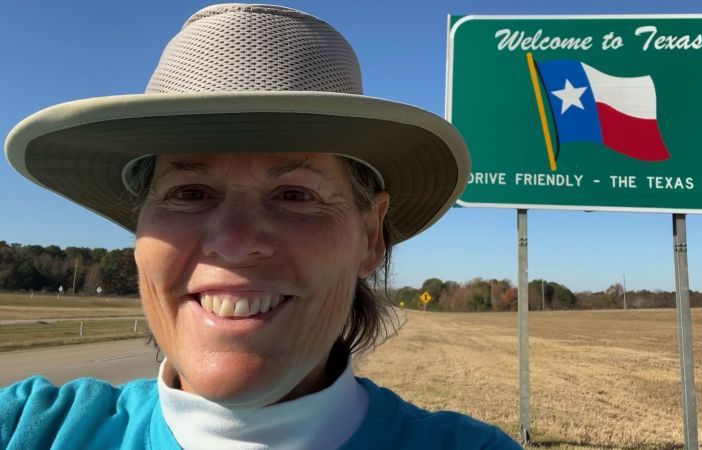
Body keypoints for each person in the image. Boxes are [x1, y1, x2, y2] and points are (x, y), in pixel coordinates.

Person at [1, 4, 522, 450]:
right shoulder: (33, 428)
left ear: (370, 236)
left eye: (295, 195)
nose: (233, 242)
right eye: (189, 193)